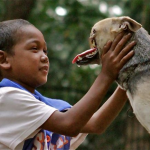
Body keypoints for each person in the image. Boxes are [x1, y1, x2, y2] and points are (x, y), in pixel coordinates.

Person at [0, 19, 136, 150]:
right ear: (4, 59)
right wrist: (106, 74)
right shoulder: (6, 97)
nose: (44, 57)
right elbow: (69, 124)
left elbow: (96, 124)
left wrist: (127, 77)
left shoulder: (44, 105)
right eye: (34, 49)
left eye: (45, 51)